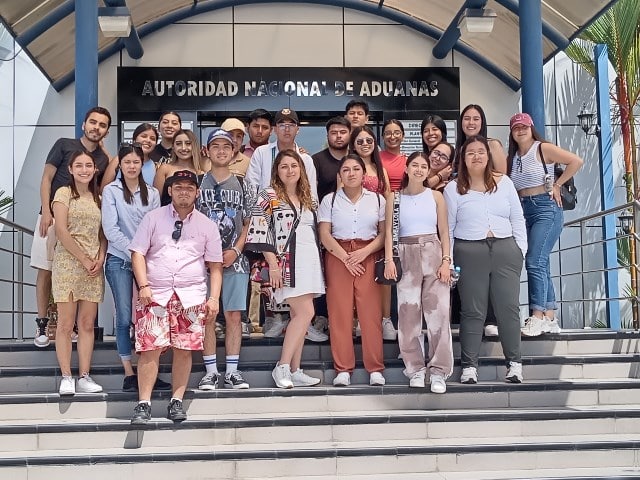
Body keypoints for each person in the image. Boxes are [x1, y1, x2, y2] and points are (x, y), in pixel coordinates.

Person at [129, 170, 223, 425]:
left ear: (197, 193)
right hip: (154, 295)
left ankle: (176, 400)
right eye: (178, 187)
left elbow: (215, 267)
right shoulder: (153, 218)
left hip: (191, 297)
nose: (184, 192)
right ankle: (143, 403)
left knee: (184, 350)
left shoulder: (207, 225)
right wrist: (143, 285)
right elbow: (137, 253)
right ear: (170, 190)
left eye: (189, 188)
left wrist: (213, 298)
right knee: (149, 348)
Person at [444, 136, 527, 384]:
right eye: (470, 153)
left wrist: (520, 250)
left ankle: (514, 364)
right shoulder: (453, 188)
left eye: (481, 151)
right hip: (469, 251)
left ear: (488, 156)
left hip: (505, 249)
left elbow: (517, 218)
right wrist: (449, 259)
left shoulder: (505, 183)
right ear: (463, 158)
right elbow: (448, 228)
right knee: (473, 310)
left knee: (508, 308)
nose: (476, 156)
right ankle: (469, 366)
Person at [31, 106, 111, 348]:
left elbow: (101, 188)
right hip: (52, 217)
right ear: (84, 124)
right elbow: (46, 178)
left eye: (102, 125)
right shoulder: (64, 145)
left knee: (77, 270)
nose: (96, 127)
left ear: (106, 131)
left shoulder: (102, 159)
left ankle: (71, 326)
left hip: (81, 224)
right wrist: (46, 211)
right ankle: (42, 324)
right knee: (46, 270)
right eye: (93, 122)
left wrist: (106, 152)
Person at [246, 150, 325, 389]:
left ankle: (295, 369)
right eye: (284, 166)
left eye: (294, 165)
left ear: (301, 169)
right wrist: (273, 265)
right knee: (305, 313)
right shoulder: (268, 195)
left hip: (310, 261)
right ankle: (281, 366)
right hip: (287, 263)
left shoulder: (308, 197)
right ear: (276, 171)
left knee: (299, 316)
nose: (290, 170)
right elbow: (258, 231)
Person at [507, 113, 583, 337]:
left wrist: (558, 184)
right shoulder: (514, 157)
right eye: (516, 128)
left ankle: (537, 316)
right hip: (524, 211)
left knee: (534, 261)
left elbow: (576, 161)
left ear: (532, 128)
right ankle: (550, 316)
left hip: (546, 208)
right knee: (541, 262)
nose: (520, 130)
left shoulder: (542, 149)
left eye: (524, 126)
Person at [102, 143, 169, 392]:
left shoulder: (151, 194)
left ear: (143, 164)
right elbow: (110, 229)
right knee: (124, 316)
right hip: (119, 259)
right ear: (120, 164)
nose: (131, 166)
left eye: (136, 162)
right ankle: (129, 372)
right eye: (127, 162)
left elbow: (155, 228)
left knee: (149, 317)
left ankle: (149, 370)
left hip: (147, 262)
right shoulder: (111, 191)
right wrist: (134, 251)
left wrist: (142, 254)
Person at [384, 152, 453, 393]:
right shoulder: (394, 198)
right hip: (405, 251)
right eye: (415, 165)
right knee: (408, 313)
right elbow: (388, 232)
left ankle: (439, 370)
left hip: (433, 250)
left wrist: (446, 261)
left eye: (424, 166)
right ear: (406, 168)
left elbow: (444, 231)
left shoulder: (435, 196)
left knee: (438, 313)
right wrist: (389, 260)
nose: (419, 170)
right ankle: (414, 368)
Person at [318, 154, 386, 387]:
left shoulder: (377, 200)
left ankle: (375, 368)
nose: (351, 173)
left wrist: (364, 253)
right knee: (340, 314)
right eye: (346, 170)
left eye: (356, 169)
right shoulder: (330, 200)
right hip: (338, 255)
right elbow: (324, 234)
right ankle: (343, 369)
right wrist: (345, 258)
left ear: (363, 174)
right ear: (340, 175)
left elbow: (383, 234)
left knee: (370, 314)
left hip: (367, 254)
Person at [197, 129, 253, 390]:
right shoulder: (197, 182)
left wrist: (237, 251)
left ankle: (232, 371)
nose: (221, 151)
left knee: (233, 315)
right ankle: (210, 371)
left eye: (226, 147)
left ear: (234, 152)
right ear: (207, 151)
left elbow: (249, 224)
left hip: (235, 260)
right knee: (207, 315)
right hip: (202, 263)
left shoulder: (243, 184)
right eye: (216, 146)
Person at [52, 151, 107, 395]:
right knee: (65, 324)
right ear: (71, 169)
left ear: (95, 169)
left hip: (93, 268)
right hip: (68, 264)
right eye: (79, 166)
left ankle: (84, 376)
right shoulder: (63, 194)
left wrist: (100, 258)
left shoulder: (99, 198)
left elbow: (103, 234)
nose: (84, 170)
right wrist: (84, 259)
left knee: (86, 324)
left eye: (88, 165)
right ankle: (66, 376)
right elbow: (61, 231)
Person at [349, 126, 395, 341]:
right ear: (353, 145)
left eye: (369, 140)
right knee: (358, 276)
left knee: (383, 274)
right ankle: (358, 319)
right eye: (360, 141)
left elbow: (388, 198)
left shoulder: (380, 169)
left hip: (379, 227)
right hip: (356, 229)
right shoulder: (348, 168)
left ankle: (385, 319)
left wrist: (388, 228)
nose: (365, 144)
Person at [246, 108, 318, 201]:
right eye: (282, 125)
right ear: (275, 129)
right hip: (265, 208)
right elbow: (251, 188)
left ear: (297, 129)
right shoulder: (262, 153)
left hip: (297, 209)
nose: (287, 129)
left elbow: (312, 195)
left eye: (291, 125)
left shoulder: (305, 159)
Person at [154, 129, 205, 206]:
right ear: (173, 147)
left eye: (188, 143)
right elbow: (156, 201)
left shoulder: (201, 173)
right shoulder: (164, 169)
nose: (183, 148)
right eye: (178, 144)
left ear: (194, 146)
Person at [100, 123, 159, 190]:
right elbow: (103, 190)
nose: (148, 140)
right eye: (144, 136)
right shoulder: (118, 160)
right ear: (134, 140)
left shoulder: (156, 167)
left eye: (152, 139)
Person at [456, 104, 507, 174]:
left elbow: (502, 176)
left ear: (482, 122)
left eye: (476, 119)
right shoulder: (459, 149)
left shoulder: (493, 145)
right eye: (467, 119)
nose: (471, 122)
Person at [313, 116, 351, 201]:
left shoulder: (356, 158)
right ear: (327, 136)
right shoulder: (316, 160)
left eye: (343, 132)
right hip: (325, 208)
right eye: (334, 133)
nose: (339, 136)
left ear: (350, 134)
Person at [379, 119, 407, 192]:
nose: (392, 137)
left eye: (397, 133)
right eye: (388, 133)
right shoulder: (376, 158)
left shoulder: (408, 161)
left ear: (403, 136)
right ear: (382, 137)